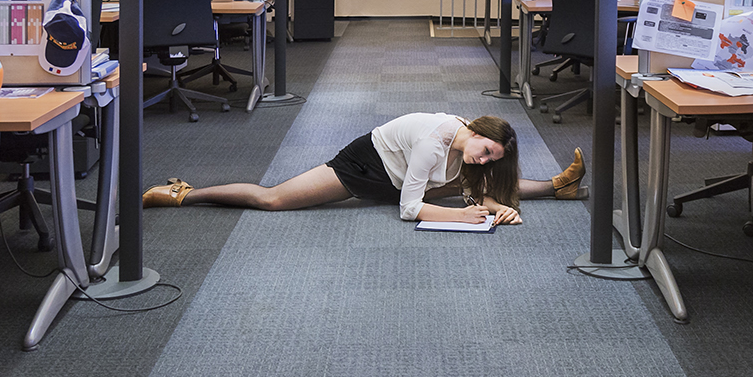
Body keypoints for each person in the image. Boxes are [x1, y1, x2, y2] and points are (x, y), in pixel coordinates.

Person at [142, 113, 586, 226]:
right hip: (365, 167)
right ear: (473, 129)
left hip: (403, 175)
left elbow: (479, 187)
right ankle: (186, 192)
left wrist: (492, 205)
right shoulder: (436, 143)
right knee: (273, 199)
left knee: (487, 188)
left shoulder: (467, 145)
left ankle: (557, 187)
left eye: (492, 157)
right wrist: (469, 214)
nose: (483, 158)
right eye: (485, 149)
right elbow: (410, 210)